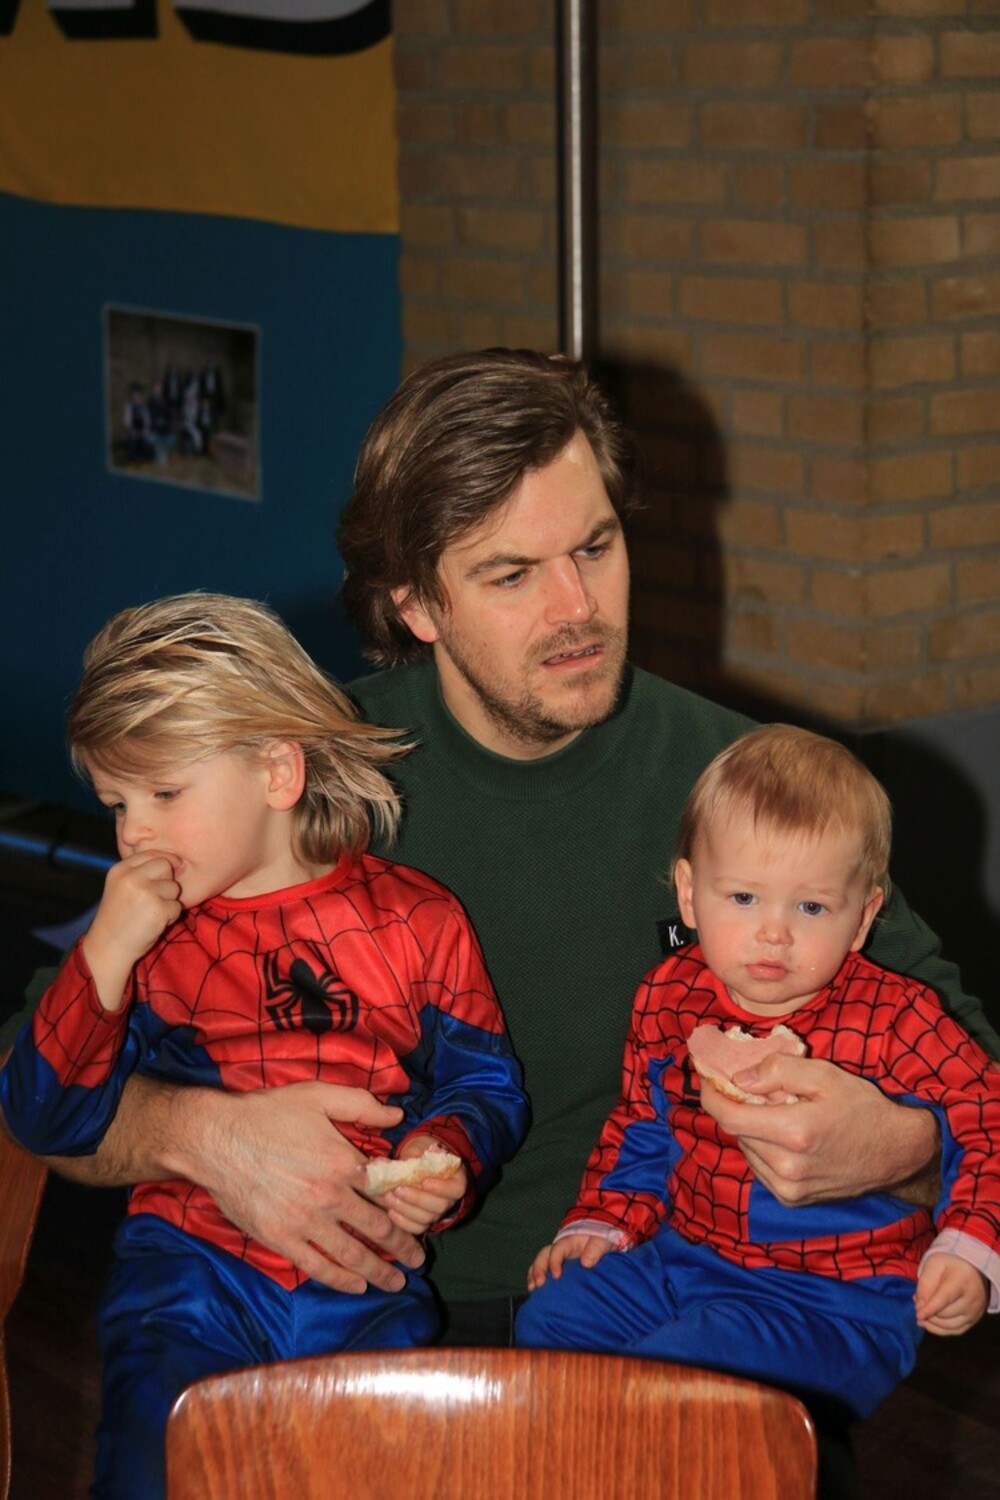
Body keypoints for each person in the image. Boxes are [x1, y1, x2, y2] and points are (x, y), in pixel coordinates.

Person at [2, 351, 998, 1487]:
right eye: (512, 573)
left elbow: (977, 1074)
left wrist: (901, 1147)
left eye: (595, 548)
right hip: (371, 1327)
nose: (577, 609)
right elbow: (36, 1079)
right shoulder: (297, 784)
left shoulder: (747, 793)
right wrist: (204, 1136)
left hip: (685, 1318)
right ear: (416, 604)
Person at [0, 592, 528, 1500]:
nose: (133, 831)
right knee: (156, 1462)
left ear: (278, 771)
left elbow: (483, 1083)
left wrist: (447, 1152)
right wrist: (103, 956)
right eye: (118, 802)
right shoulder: (145, 938)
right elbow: (41, 1117)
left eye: (165, 793)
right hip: (186, 1282)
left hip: (366, 1278)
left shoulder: (419, 920)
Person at [515, 724, 1000, 1421]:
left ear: (863, 918)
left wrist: (970, 1247)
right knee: (551, 1321)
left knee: (681, 1379)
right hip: (683, 1259)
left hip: (839, 1300)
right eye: (744, 898)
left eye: (811, 907)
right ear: (690, 894)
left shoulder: (900, 1017)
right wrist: (603, 1221)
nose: (775, 933)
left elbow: (988, 1119)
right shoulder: (667, 994)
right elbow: (642, 1125)